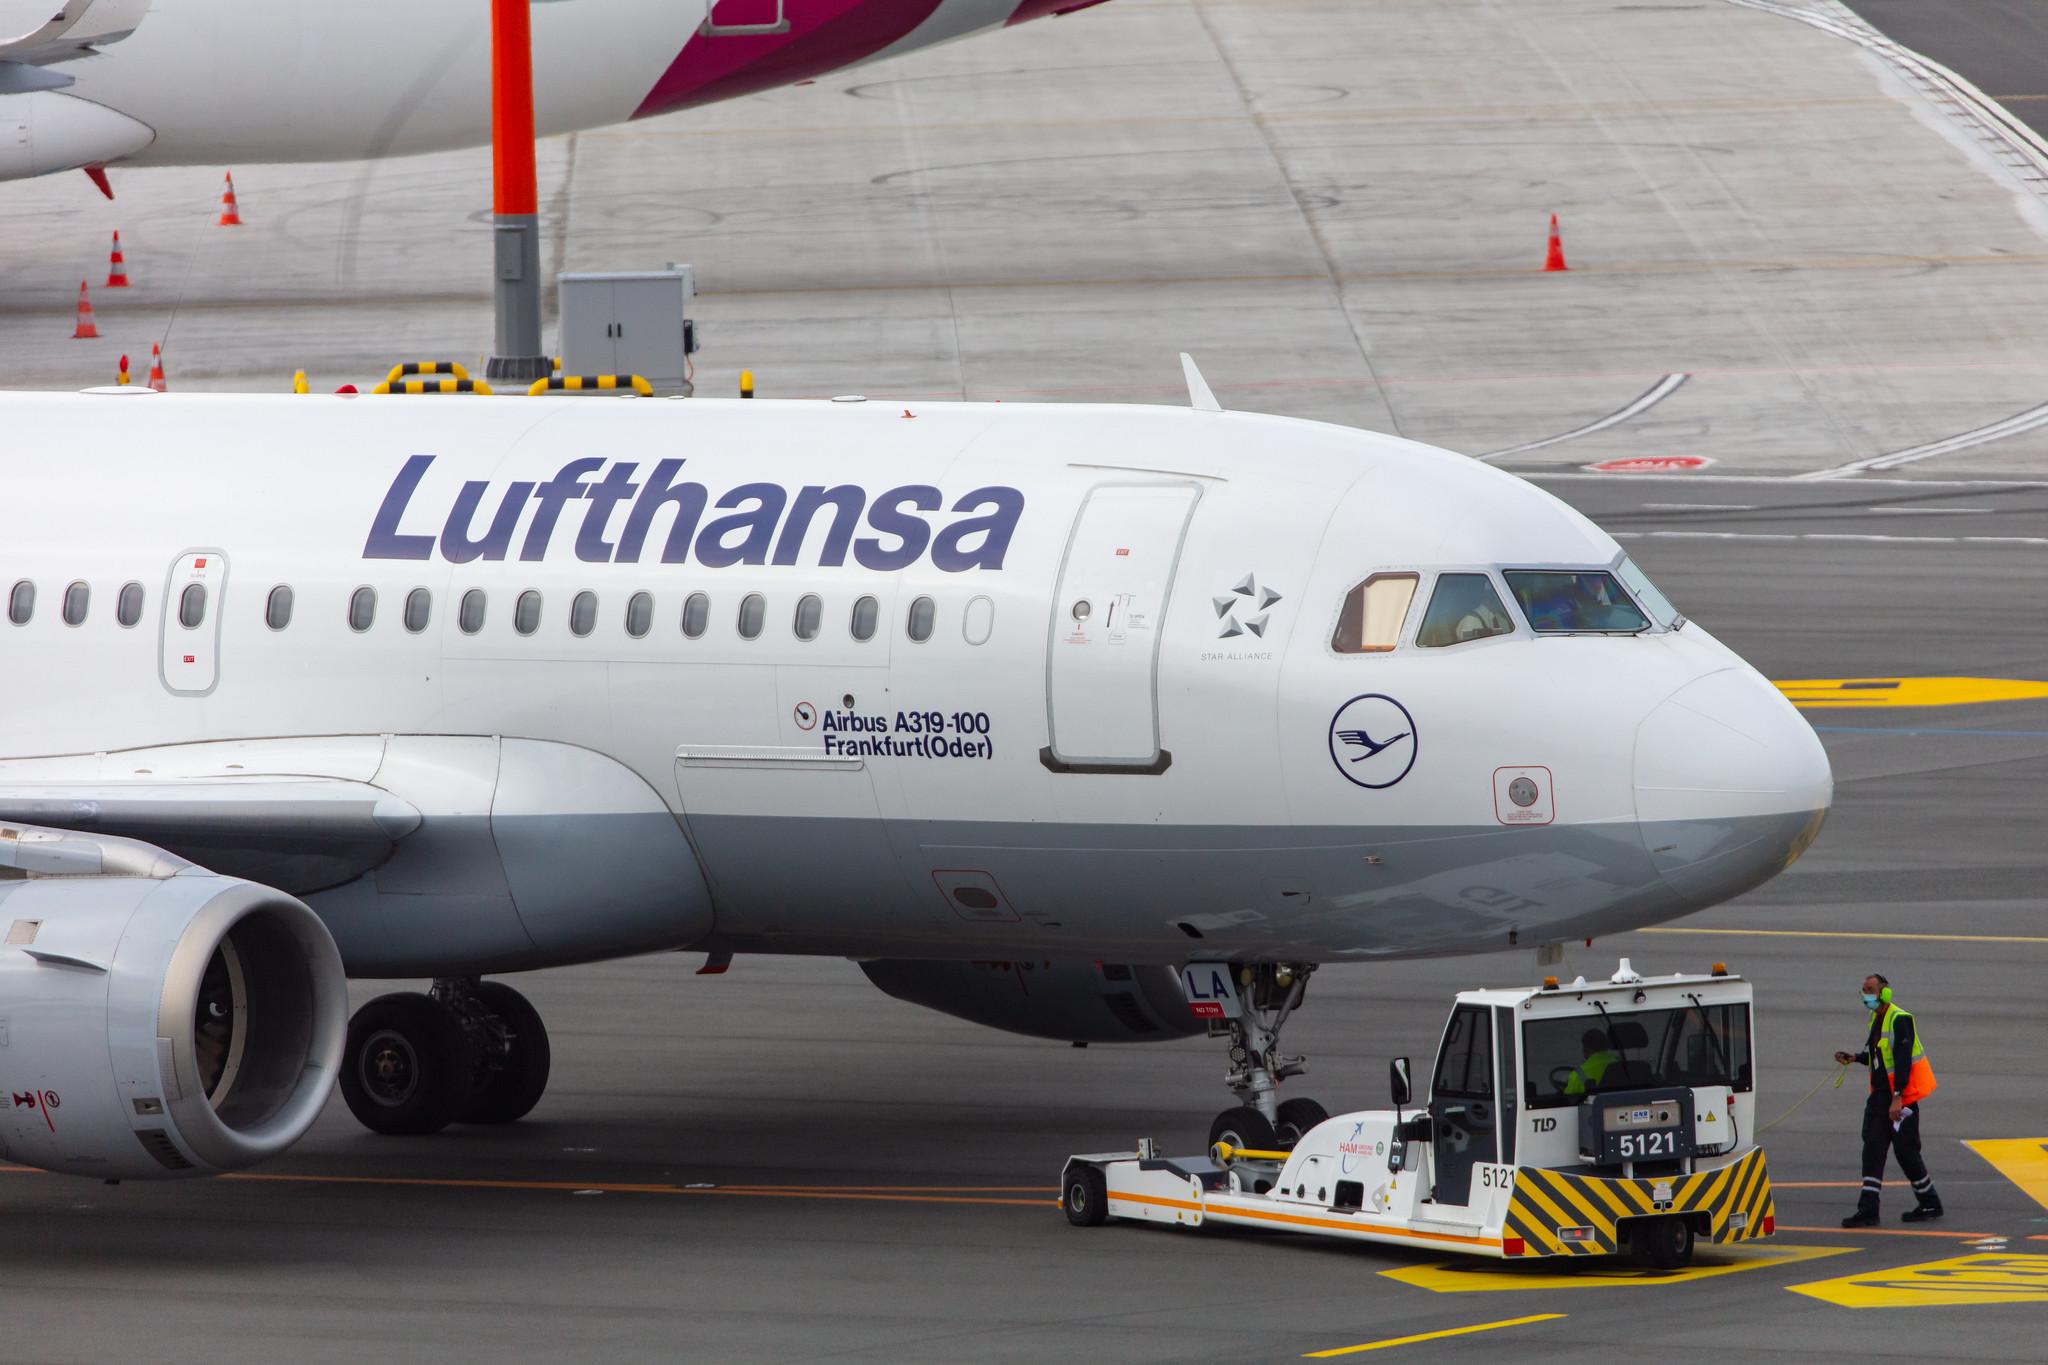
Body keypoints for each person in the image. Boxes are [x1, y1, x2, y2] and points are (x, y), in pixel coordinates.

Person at [1833, 973, 1941, 1226]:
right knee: (1872, 1147)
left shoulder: (1899, 1019)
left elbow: (1902, 1062)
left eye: (1870, 989)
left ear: (1884, 993)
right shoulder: (1876, 1018)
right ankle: (1869, 1209)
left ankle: (1930, 1202)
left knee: (1906, 1151)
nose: (1866, 995)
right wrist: (1856, 1058)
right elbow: (1879, 1056)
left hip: (1899, 1098)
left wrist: (1897, 1099)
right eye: (1863, 990)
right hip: (1880, 1097)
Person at [1563, 1027, 1622, 1097]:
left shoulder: (1578, 1075)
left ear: (1585, 1050)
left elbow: (1567, 1100)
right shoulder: (1622, 1064)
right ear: (1606, 1046)